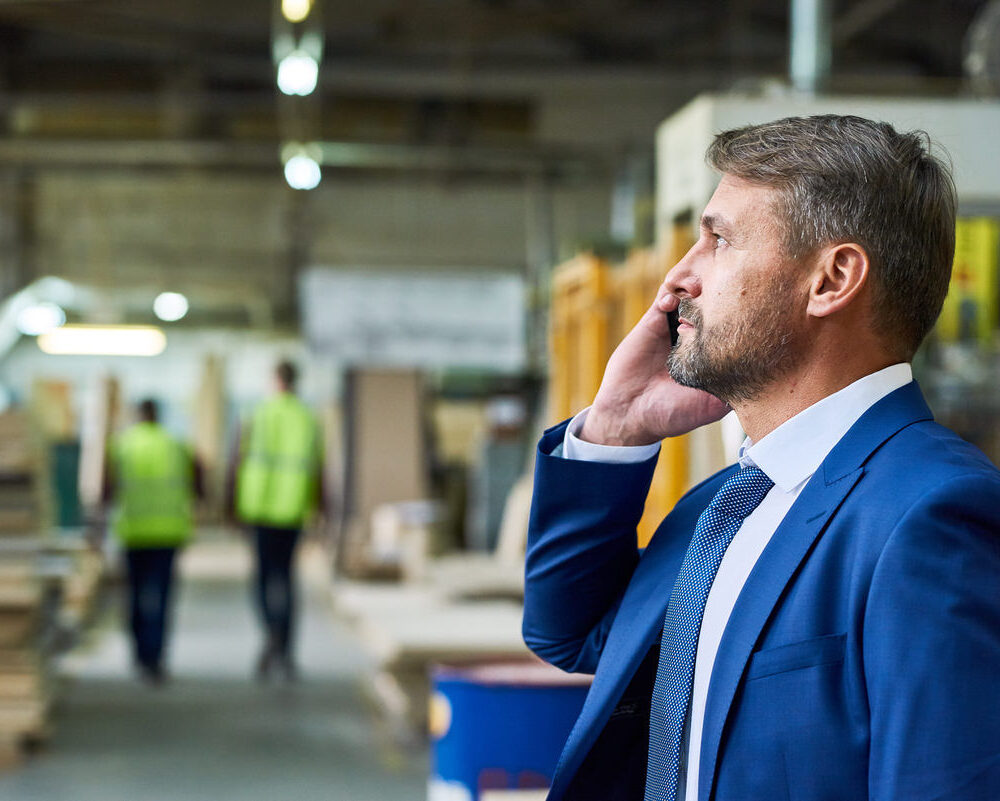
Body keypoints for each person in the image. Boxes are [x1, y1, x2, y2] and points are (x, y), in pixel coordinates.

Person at [523, 115, 1000, 801]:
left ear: (832, 279)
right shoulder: (722, 505)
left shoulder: (932, 516)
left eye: (717, 241)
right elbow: (567, 633)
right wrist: (615, 426)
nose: (678, 278)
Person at [233, 360, 323, 681]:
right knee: (286, 578)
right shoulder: (307, 418)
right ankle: (286, 649)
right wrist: (320, 509)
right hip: (293, 510)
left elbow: (238, 459)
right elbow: (319, 468)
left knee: (262, 578)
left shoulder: (258, 413)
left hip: (259, 509)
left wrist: (234, 508)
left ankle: (270, 632)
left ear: (275, 380)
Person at [108, 399, 201, 684]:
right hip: (167, 533)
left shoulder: (123, 445)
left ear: (138, 416)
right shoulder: (176, 445)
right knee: (161, 597)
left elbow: (106, 489)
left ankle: (138, 654)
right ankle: (156, 658)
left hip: (134, 533)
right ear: (158, 416)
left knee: (135, 595)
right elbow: (197, 485)